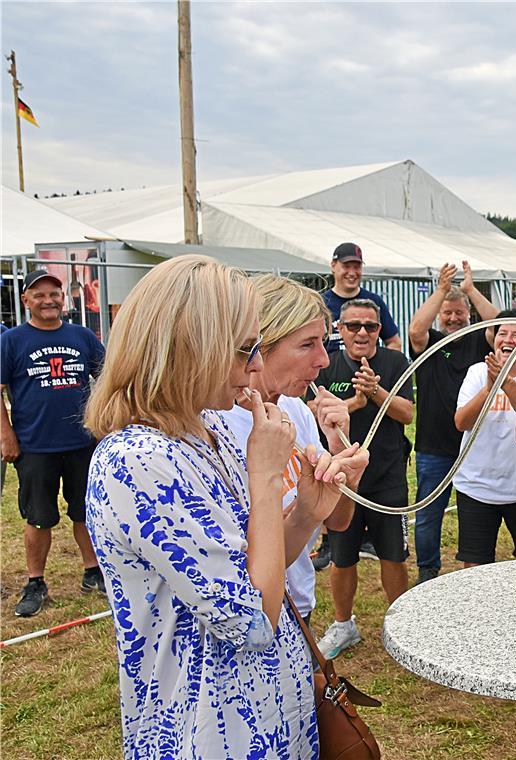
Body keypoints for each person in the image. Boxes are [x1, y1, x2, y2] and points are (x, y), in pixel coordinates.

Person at [84, 255, 359, 758]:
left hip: (269, 715)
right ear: (187, 348)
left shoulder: (207, 432)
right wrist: (266, 474)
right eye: (244, 351)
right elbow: (252, 620)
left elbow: (258, 561)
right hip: (210, 731)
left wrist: (306, 513)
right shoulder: (140, 461)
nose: (256, 368)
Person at [217, 275, 367, 628]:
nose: (323, 361)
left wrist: (339, 455)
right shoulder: (215, 421)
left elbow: (337, 520)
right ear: (260, 345)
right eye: (307, 345)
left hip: (297, 602)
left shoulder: (297, 409)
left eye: (323, 343)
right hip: (247, 609)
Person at [314, 298, 415, 658]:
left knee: (393, 556)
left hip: (387, 477)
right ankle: (344, 625)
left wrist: (376, 391)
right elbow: (313, 412)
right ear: (340, 330)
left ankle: (400, 626)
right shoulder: (327, 365)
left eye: (370, 326)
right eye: (353, 326)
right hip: (342, 480)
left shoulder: (394, 362)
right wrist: (355, 403)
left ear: (379, 330)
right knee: (342, 558)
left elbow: (406, 413)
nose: (361, 333)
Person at [1, 269, 105, 617]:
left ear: (64, 299)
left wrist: (103, 422)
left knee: (86, 512)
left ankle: (93, 573)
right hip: (34, 445)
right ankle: (36, 582)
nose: (48, 301)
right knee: (39, 518)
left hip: (81, 442)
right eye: (39, 295)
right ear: (25, 300)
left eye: (54, 294)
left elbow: (106, 378)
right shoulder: (12, 341)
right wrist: (6, 433)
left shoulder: (82, 336)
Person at [407, 260, 499, 584]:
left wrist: (471, 291)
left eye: (459, 313)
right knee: (429, 516)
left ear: (468, 315)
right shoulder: (431, 341)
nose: (453, 318)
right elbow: (415, 331)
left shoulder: (479, 342)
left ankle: (471, 566)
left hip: (474, 446)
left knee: (473, 513)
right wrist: (442, 291)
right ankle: (427, 573)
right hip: (434, 446)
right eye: (447, 313)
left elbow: (502, 325)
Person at [453, 311, 516, 567]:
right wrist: (489, 388)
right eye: (502, 334)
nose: (508, 339)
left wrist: (506, 383)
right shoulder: (476, 372)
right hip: (477, 487)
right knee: (474, 566)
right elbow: (462, 422)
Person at [322, 242, 401, 354]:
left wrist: (385, 368)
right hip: (332, 369)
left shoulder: (374, 302)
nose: (352, 273)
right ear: (333, 266)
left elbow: (394, 343)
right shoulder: (321, 304)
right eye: (346, 266)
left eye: (357, 267)